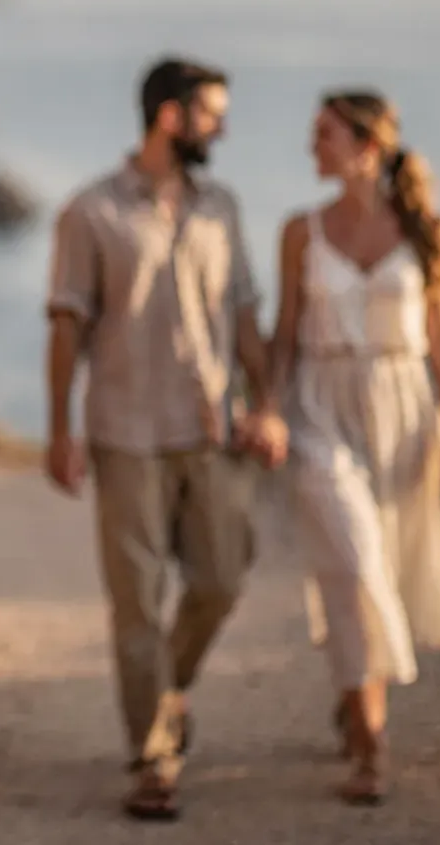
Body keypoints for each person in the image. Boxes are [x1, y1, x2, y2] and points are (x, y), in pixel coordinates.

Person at [43, 56, 290, 822]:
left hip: (210, 429)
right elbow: (67, 325)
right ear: (169, 116)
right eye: (210, 112)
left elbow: (246, 316)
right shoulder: (90, 211)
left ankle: (167, 690)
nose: (221, 126)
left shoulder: (223, 207)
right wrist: (59, 429)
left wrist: (268, 403)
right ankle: (153, 757)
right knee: (137, 606)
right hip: (125, 433)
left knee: (221, 578)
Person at [267, 87, 440, 806]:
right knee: (351, 562)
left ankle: (356, 696)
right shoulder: (299, 231)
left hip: (405, 412)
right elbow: (285, 332)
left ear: (367, 146)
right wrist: (268, 408)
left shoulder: (427, 230)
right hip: (321, 405)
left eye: (325, 134)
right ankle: (372, 742)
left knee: (387, 567)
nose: (312, 146)